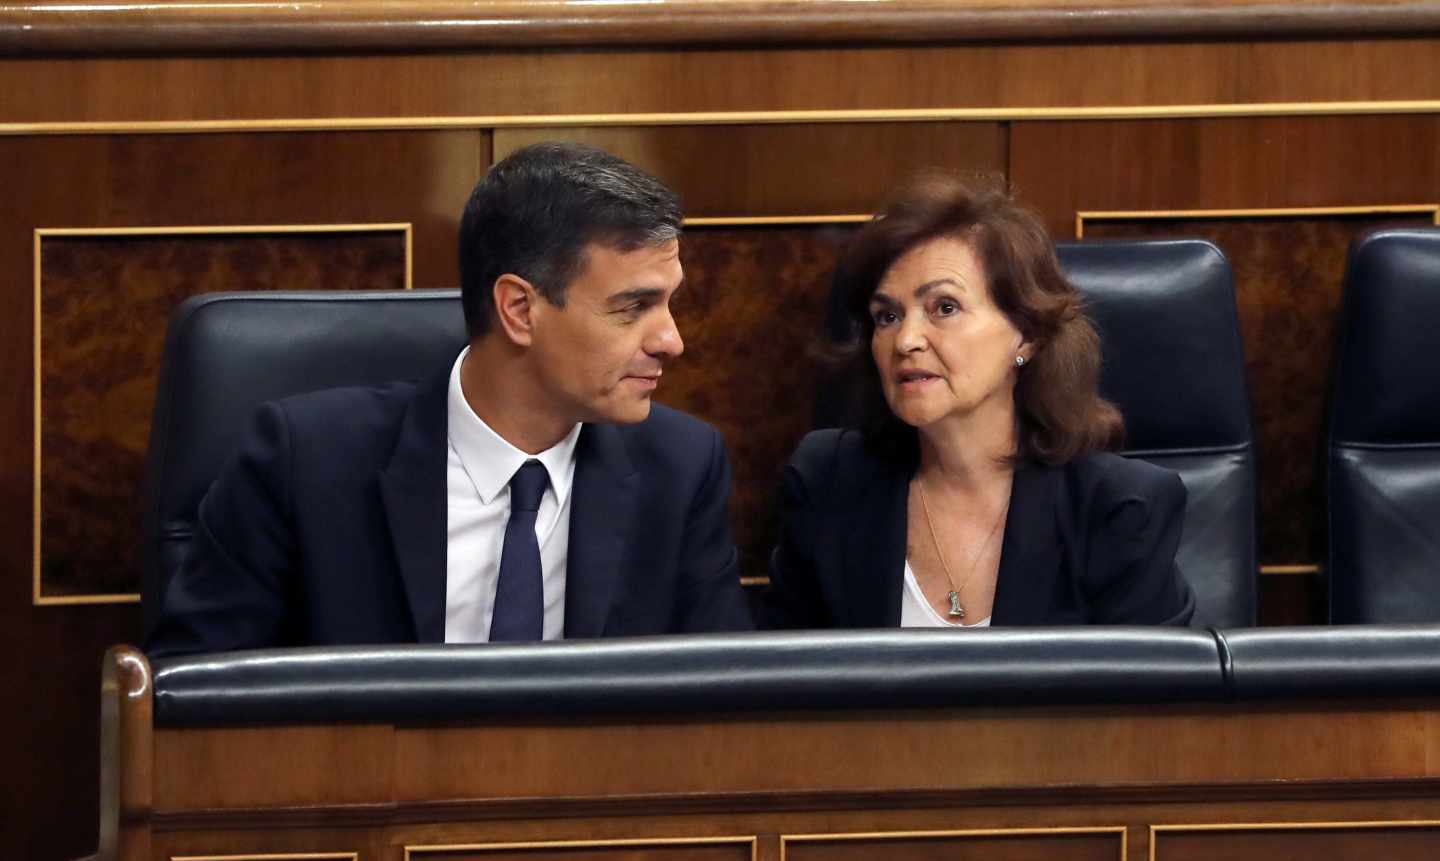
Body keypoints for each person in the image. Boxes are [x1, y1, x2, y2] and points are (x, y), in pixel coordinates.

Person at [148, 142, 751, 655]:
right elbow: (195, 704)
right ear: (520, 309)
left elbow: (721, 708)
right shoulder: (304, 462)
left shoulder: (680, 468)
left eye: (670, 303)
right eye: (633, 308)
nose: (672, 341)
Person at [762, 173, 1195, 629]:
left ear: (1026, 334)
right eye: (886, 316)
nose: (905, 340)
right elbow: (782, 685)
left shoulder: (1118, 509)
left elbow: (1151, 699)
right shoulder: (828, 483)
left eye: (944, 308)